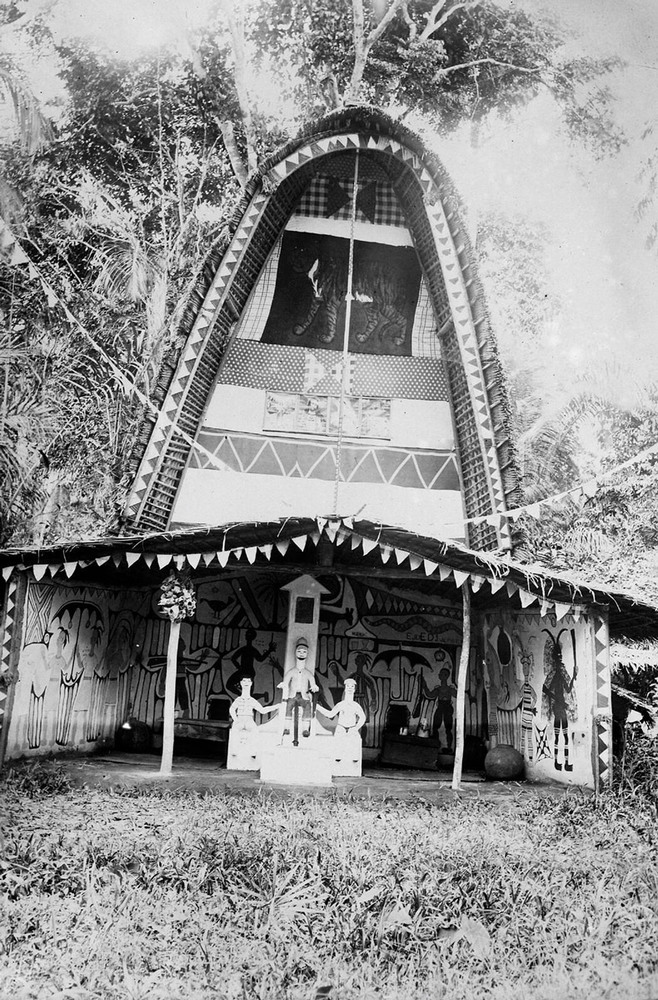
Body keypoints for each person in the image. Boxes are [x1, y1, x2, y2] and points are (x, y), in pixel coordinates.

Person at [278, 637, 318, 737]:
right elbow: (286, 681)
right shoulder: (291, 671)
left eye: (304, 652)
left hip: (304, 696)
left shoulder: (308, 673)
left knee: (307, 707)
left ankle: (305, 729)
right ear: (295, 652)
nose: (301, 653)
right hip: (292, 695)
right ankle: (286, 727)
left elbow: (313, 683)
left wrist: (314, 687)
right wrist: (283, 684)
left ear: (307, 653)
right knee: (288, 706)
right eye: (299, 651)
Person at [229, 678, 279, 743]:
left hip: (249, 720)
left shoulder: (252, 701)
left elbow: (262, 710)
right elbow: (232, 709)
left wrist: (276, 706)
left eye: (248, 681)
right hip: (239, 719)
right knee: (234, 733)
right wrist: (236, 719)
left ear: (251, 683)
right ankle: (235, 752)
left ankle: (251, 752)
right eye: (244, 681)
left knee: (255, 732)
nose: (246, 683)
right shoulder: (238, 699)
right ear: (241, 683)